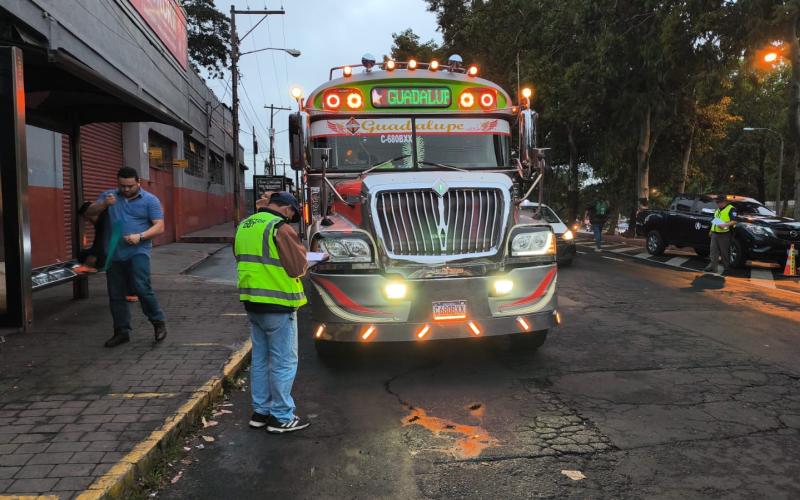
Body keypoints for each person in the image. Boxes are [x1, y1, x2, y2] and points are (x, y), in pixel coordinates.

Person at [235, 191, 311, 434]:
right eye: (292, 213)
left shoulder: (245, 225)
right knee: (284, 361)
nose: (291, 217)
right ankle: (281, 416)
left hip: (252, 301)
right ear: (287, 208)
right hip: (277, 303)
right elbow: (298, 267)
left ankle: (261, 412)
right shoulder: (280, 228)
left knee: (260, 360)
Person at [85, 167, 167, 347]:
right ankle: (121, 332)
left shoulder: (150, 200)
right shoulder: (109, 196)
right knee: (115, 294)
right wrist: (104, 205)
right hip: (114, 253)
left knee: (141, 287)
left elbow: (159, 226)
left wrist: (141, 236)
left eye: (130, 186)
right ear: (117, 183)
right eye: (122, 186)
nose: (126, 190)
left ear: (138, 182)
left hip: (139, 251)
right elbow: (89, 213)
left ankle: (158, 322)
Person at [75, 202, 139, 303]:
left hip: (120, 250)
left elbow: (100, 245)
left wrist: (90, 263)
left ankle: (131, 293)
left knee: (84, 256)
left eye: (86, 217)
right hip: (126, 248)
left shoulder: (104, 220)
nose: (88, 221)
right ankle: (132, 292)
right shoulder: (110, 215)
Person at [704, 195, 737, 275]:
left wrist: (725, 225)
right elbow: (715, 220)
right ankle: (713, 267)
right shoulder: (718, 209)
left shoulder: (731, 209)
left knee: (724, 252)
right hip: (715, 233)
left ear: (725, 202)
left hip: (724, 234)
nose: (718, 204)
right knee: (713, 251)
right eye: (717, 202)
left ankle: (726, 269)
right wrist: (711, 230)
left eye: (719, 202)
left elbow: (734, 221)